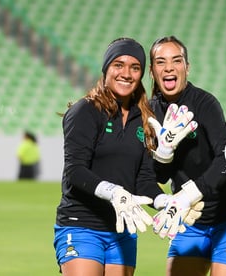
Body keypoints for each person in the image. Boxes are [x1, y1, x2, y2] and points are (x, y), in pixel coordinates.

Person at [53, 37, 202, 276]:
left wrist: (167, 202)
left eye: (135, 67)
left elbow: (143, 180)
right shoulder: (85, 111)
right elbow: (75, 170)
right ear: (106, 69)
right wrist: (113, 192)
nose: (126, 73)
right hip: (81, 225)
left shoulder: (142, 117)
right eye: (118, 65)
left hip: (123, 229)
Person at [148, 36, 226, 276]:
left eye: (176, 60)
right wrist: (164, 154)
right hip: (189, 221)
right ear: (152, 70)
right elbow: (158, 175)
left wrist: (186, 196)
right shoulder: (149, 113)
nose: (169, 67)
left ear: (186, 67)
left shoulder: (205, 103)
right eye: (161, 62)